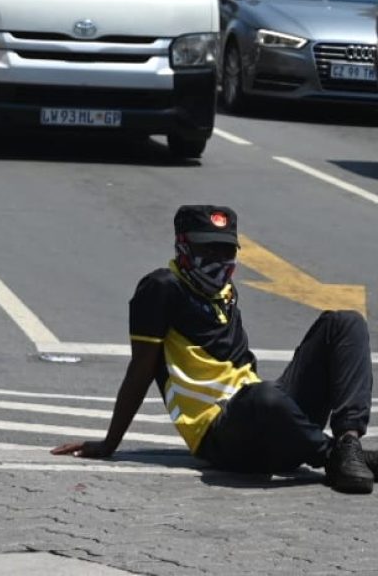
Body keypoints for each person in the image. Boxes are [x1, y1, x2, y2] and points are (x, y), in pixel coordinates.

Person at [52, 204, 377, 494]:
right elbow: (141, 370)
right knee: (262, 397)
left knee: (344, 322)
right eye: (207, 250)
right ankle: (333, 456)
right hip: (222, 435)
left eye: (226, 251)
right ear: (183, 247)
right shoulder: (161, 288)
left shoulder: (225, 291)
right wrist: (110, 443)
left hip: (269, 420)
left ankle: (348, 441)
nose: (218, 260)